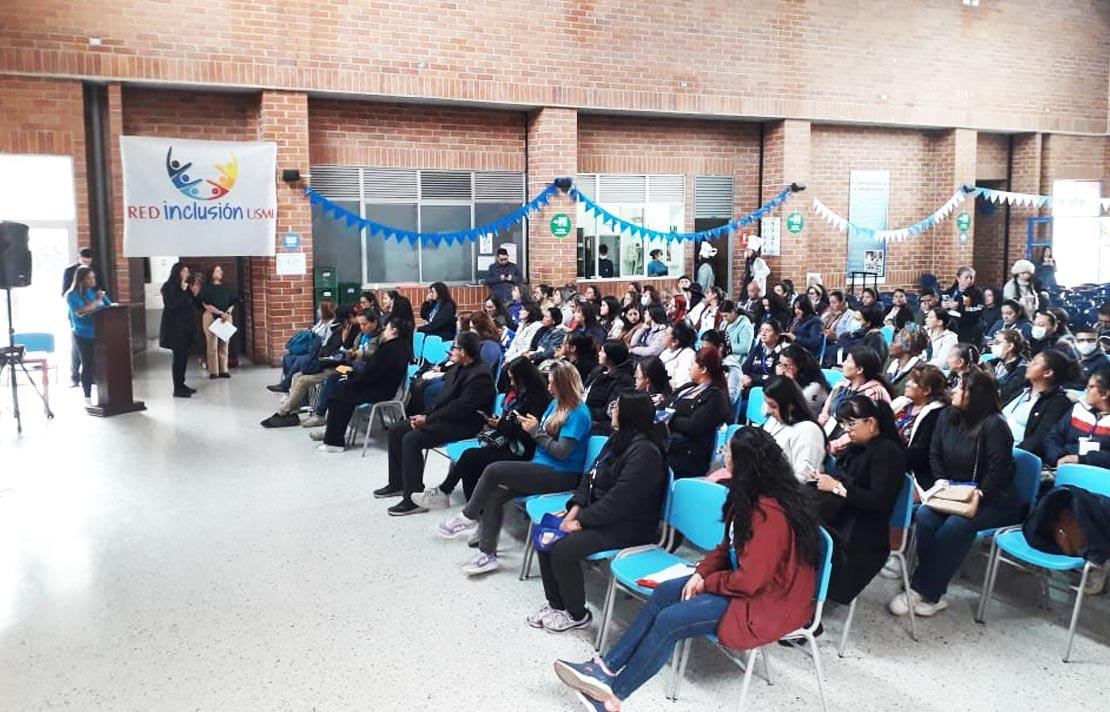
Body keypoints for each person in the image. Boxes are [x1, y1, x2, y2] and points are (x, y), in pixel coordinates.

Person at [552, 427, 819, 712]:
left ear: (746, 464)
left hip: (765, 601)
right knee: (668, 591)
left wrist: (707, 583)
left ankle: (613, 697)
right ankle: (605, 668)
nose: (723, 455)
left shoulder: (769, 514)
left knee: (671, 621)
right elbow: (726, 548)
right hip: (744, 583)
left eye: (728, 452)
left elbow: (752, 580)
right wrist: (701, 573)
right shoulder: (747, 496)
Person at [529, 392, 668, 632]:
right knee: (548, 534)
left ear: (629, 414)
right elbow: (589, 478)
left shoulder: (645, 452)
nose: (612, 410)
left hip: (629, 526)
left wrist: (580, 521)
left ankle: (577, 614)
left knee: (564, 549)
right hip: (601, 515)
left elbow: (620, 502)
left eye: (617, 407)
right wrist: (574, 509)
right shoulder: (617, 440)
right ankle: (557, 605)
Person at [436, 362, 592, 575]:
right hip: (542, 466)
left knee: (494, 470)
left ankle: (467, 516)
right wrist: (526, 427)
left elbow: (562, 452)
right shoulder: (555, 404)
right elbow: (543, 437)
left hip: (562, 474)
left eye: (553, 384)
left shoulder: (578, 413)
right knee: (495, 494)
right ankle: (487, 554)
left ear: (564, 385)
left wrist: (536, 432)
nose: (548, 388)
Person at [892, 369, 1022, 618]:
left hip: (994, 497)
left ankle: (922, 590)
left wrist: (979, 495)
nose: (954, 390)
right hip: (953, 490)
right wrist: (941, 482)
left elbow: (999, 471)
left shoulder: (995, 425)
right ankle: (933, 587)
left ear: (976, 395)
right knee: (927, 517)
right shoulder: (947, 416)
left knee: (955, 526)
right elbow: (935, 454)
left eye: (960, 388)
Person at [374, 331, 494, 515]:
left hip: (464, 425)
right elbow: (442, 401)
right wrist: (424, 415)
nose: (450, 351)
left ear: (464, 351)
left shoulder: (480, 376)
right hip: (446, 419)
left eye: (454, 347)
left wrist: (428, 420)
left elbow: (459, 408)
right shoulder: (457, 368)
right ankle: (397, 483)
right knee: (397, 430)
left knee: (412, 439)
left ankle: (413, 498)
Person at [420, 356, 552, 508]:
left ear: (522, 378)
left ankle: (450, 496)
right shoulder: (525, 396)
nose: (511, 383)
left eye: (513, 379)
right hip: (511, 442)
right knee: (471, 461)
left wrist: (501, 424)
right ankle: (473, 508)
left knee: (470, 457)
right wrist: (500, 422)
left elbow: (525, 434)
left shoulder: (537, 401)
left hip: (521, 450)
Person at [814, 395, 905, 605]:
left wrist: (836, 487)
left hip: (862, 533)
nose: (846, 429)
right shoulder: (859, 447)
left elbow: (876, 501)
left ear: (871, 423)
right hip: (845, 516)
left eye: (851, 424)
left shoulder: (888, 453)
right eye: (844, 424)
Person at [317, 317, 411, 452]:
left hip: (379, 389)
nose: (384, 330)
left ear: (394, 331)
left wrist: (353, 380)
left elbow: (373, 373)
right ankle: (332, 436)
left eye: (387, 328)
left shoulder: (390, 349)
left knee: (339, 396)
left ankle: (334, 442)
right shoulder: (400, 347)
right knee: (340, 388)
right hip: (380, 385)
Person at [260, 306, 359, 428]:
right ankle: (292, 413)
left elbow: (349, 355)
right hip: (328, 363)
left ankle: (283, 412)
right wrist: (327, 354)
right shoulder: (339, 330)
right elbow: (328, 348)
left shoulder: (355, 332)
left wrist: (344, 341)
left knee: (303, 380)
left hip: (340, 368)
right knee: (297, 376)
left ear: (349, 319)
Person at [664, 346, 731, 478]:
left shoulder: (716, 397)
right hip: (668, 441)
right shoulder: (688, 386)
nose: (689, 368)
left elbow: (693, 426)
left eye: (692, 364)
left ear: (703, 369)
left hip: (689, 453)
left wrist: (669, 419)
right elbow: (664, 404)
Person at [1002, 349, 1078, 460]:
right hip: (995, 448)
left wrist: (1008, 455)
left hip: (1017, 457)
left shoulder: (1058, 402)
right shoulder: (1021, 390)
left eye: (1035, 363)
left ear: (1048, 373)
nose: (1029, 365)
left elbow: (1039, 439)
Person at [819, 345, 893, 454]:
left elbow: (861, 431)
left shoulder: (873, 394)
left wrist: (832, 446)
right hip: (828, 442)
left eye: (848, 361)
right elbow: (824, 416)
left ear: (859, 369)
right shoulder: (840, 387)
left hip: (855, 451)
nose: (843, 364)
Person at [890, 364, 948, 489]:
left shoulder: (936, 414)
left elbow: (920, 453)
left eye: (914, 382)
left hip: (911, 471)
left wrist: (888, 461)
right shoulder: (902, 405)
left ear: (926, 390)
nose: (907, 384)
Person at [761, 376, 826, 482]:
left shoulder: (808, 431)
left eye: (773, 406)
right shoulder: (773, 421)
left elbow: (804, 478)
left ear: (790, 405)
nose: (768, 411)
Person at [1044, 368, 1110, 469]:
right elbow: (1053, 437)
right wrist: (1059, 458)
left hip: (1098, 476)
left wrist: (1082, 460)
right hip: (1062, 468)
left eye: (1091, 387)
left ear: (1104, 394)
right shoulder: (1078, 409)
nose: (1086, 390)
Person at [64, 266, 111, 404]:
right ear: (81, 280)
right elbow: (80, 311)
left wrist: (105, 300)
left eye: (93, 278)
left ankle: (106, 393)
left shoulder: (94, 292)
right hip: (83, 334)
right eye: (89, 278)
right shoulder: (71, 295)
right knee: (87, 364)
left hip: (100, 332)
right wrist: (97, 302)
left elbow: (110, 306)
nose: (92, 281)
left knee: (102, 363)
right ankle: (87, 396)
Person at [61, 248, 106, 388]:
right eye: (84, 260)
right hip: (78, 312)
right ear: (78, 257)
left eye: (89, 261)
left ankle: (91, 375)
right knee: (77, 347)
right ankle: (75, 376)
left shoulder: (96, 269)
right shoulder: (70, 271)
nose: (87, 263)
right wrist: (83, 302)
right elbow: (65, 292)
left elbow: (100, 289)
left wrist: (100, 299)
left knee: (92, 350)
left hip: (96, 312)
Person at [159, 262, 199, 398]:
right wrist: (182, 290)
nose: (187, 274)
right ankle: (177, 387)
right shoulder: (168, 287)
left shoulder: (186, 287)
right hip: (175, 329)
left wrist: (193, 293)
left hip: (187, 328)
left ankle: (182, 384)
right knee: (178, 358)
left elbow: (191, 304)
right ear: (178, 272)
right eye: (185, 271)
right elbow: (173, 305)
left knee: (184, 358)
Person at [583, 341, 636, 432]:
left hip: (596, 421)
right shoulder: (598, 370)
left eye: (603, 352)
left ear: (611, 357)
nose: (599, 353)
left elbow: (607, 411)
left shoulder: (623, 381)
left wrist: (584, 411)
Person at [196, 264, 237, 380]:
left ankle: (224, 369)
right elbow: (205, 304)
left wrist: (227, 313)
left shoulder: (227, 287)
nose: (220, 273)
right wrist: (219, 313)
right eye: (217, 271)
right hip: (211, 316)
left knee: (224, 344)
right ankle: (214, 371)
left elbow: (232, 302)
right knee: (211, 344)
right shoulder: (206, 288)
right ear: (211, 273)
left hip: (226, 316)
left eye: (220, 271)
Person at [776, 343, 831, 417]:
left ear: (800, 366)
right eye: (780, 364)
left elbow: (791, 412)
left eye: (786, 366)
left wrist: (787, 383)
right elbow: (766, 410)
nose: (781, 370)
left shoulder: (815, 387)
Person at [941, 266, 985, 344]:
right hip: (948, 325)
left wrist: (959, 306)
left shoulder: (977, 294)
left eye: (971, 278)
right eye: (966, 277)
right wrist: (942, 305)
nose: (969, 280)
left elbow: (978, 310)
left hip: (967, 327)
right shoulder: (949, 292)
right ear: (958, 279)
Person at [884, 326, 930, 398]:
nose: (891, 344)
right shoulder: (888, 363)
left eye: (895, 341)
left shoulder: (921, 371)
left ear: (908, 346)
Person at [989, 329, 1029, 406]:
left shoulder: (1022, 370)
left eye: (997, 342)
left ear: (1010, 346)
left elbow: (1005, 393)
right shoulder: (992, 363)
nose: (993, 345)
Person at [740, 320, 783, 390]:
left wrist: (753, 379)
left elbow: (775, 378)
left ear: (777, 335)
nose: (763, 334)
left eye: (768, 331)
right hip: (751, 386)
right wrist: (745, 377)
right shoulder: (758, 347)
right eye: (761, 330)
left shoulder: (781, 352)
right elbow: (745, 368)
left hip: (770, 389)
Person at [503, 301, 544, 368]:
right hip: (514, 357)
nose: (519, 311)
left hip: (524, 359)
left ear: (529, 312)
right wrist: (507, 356)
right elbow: (514, 342)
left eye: (522, 309)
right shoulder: (522, 324)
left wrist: (511, 359)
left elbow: (526, 348)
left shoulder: (536, 326)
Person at [659, 322, 697, 390]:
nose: (662, 335)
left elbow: (680, 383)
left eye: (666, 334)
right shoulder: (666, 351)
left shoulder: (688, 356)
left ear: (675, 342)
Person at [719, 300, 754, 364]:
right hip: (725, 358)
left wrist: (726, 348)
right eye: (722, 316)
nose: (724, 319)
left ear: (733, 311)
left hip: (737, 361)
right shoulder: (724, 324)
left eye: (726, 316)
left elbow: (745, 347)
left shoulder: (745, 325)